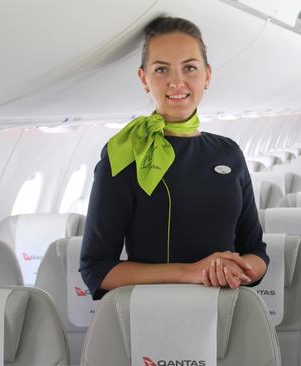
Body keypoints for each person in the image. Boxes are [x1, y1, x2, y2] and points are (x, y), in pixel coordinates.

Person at [80, 17, 268, 300]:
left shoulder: (229, 152)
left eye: (190, 68)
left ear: (207, 75)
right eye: (161, 69)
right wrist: (192, 273)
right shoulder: (126, 153)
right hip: (154, 314)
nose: (177, 81)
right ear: (144, 79)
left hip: (229, 311)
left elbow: (256, 252)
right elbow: (97, 268)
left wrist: (236, 269)